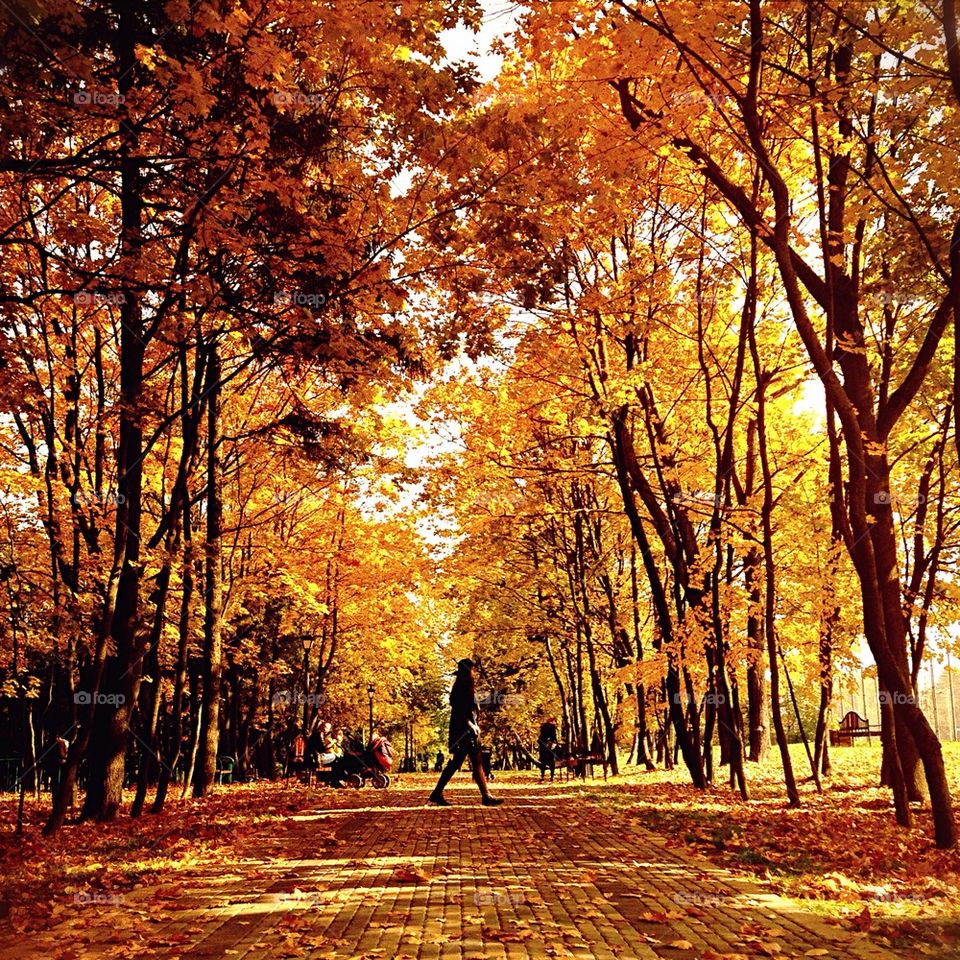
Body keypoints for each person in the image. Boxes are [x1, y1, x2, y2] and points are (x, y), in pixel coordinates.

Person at [429, 658, 502, 806]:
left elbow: (469, 709)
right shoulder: (462, 687)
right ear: (468, 671)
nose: (474, 672)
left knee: (468, 762)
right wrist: (471, 725)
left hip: (465, 730)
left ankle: (437, 793)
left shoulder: (464, 686)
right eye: (472, 670)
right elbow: (459, 710)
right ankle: (486, 796)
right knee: (474, 761)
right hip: (464, 731)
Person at [537, 717, 558, 781]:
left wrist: (553, 743)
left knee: (551, 762)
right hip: (544, 747)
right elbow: (540, 738)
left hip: (550, 748)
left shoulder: (552, 727)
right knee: (544, 762)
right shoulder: (544, 728)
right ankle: (543, 776)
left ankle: (551, 776)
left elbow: (554, 738)